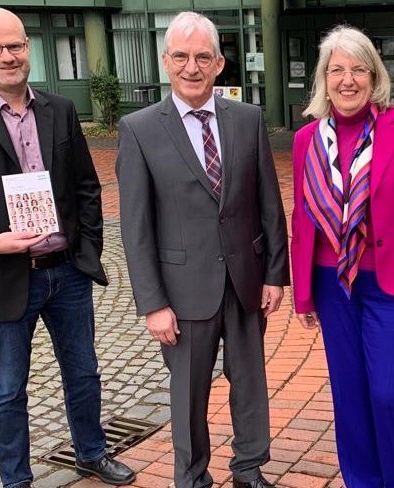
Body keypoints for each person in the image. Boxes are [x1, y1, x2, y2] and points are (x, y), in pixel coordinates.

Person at [0, 7, 135, 488]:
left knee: (83, 373)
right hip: (2, 275)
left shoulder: (59, 109)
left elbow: (86, 186)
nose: (6, 56)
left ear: (28, 47)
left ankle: (91, 453)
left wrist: (88, 249)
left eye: (14, 45)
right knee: (7, 388)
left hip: (67, 271)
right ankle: (16, 479)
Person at [115, 11, 289, 488]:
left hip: (245, 280)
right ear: (165, 61)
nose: (191, 67)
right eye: (181, 57)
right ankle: (192, 477)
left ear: (219, 64)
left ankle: (249, 469)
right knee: (188, 394)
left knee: (249, 384)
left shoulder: (248, 119)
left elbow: (268, 202)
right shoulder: (139, 129)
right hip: (182, 290)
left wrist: (275, 274)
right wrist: (153, 304)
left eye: (202, 57)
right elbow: (136, 227)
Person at [290, 25, 394, 487]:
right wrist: (303, 295)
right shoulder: (306, 140)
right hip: (333, 285)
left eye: (358, 69)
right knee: (350, 396)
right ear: (324, 79)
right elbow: (302, 220)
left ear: (374, 76)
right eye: (337, 70)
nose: (348, 80)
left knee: (388, 395)